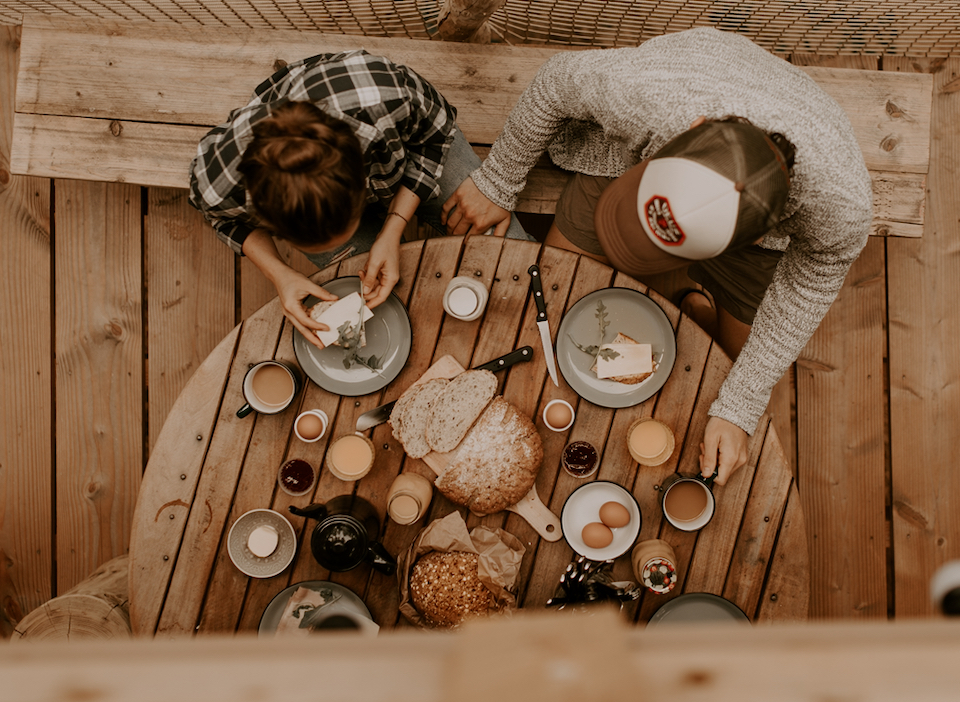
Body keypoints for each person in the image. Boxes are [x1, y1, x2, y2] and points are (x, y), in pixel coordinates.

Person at [442, 27, 872, 485]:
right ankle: (687, 301)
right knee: (555, 293)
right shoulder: (650, 92)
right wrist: (500, 180)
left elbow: (814, 278)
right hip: (624, 167)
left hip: (758, 241)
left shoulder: (840, 205)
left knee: (727, 371)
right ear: (692, 128)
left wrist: (740, 406)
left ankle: (697, 302)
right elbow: (555, 82)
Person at [189, 48, 530, 348]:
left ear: (362, 179)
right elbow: (220, 218)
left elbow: (435, 132)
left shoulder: (384, 95)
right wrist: (279, 272)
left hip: (410, 152)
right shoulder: (219, 181)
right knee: (375, 306)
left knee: (515, 256)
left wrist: (393, 228)